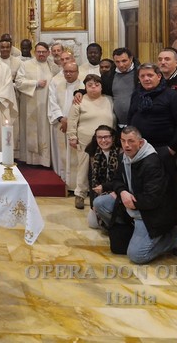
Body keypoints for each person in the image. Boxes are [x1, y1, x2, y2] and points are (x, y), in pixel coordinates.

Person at [127, 63, 177, 238]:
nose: (146, 79)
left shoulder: (173, 96)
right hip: (145, 150)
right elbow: (131, 118)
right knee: (167, 184)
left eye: (150, 75)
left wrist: (172, 148)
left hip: (170, 148)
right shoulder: (137, 95)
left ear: (158, 76)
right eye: (142, 76)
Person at [92, 126, 177, 264]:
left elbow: (153, 199)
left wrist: (132, 203)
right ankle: (132, 230)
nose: (126, 145)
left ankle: (173, 238)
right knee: (100, 203)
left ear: (140, 143)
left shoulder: (152, 163)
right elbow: (117, 180)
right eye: (123, 141)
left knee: (137, 256)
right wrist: (123, 192)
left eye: (131, 141)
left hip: (151, 213)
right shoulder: (124, 156)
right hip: (132, 206)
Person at [66, 74, 116, 209]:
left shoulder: (109, 100)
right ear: (85, 87)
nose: (93, 88)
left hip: (107, 140)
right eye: (90, 85)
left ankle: (105, 193)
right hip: (85, 140)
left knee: (106, 166)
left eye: (96, 85)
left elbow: (114, 118)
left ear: (101, 86)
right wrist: (72, 136)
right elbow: (72, 120)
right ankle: (80, 194)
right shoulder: (80, 101)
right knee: (83, 167)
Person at [48, 61, 83, 197]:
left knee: (76, 157)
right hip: (61, 124)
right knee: (63, 155)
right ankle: (64, 181)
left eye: (71, 71)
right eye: (66, 71)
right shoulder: (58, 85)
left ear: (77, 72)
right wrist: (62, 119)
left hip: (77, 127)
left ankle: (76, 185)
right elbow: (52, 102)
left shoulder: (82, 86)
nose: (68, 74)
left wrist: (71, 122)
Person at [15, 42, 53, 166]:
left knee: (44, 131)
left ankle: (45, 160)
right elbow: (19, 82)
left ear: (48, 53)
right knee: (31, 131)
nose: (41, 54)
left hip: (46, 105)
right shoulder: (25, 65)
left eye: (43, 52)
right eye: (38, 52)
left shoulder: (53, 66)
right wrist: (35, 83)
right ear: (34, 52)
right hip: (30, 105)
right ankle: (31, 159)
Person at [86, 125, 122, 229]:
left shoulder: (121, 153)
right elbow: (92, 181)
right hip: (101, 192)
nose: (103, 140)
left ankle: (117, 226)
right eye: (99, 137)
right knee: (92, 223)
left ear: (113, 138)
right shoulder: (93, 154)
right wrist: (92, 204)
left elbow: (122, 179)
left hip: (116, 190)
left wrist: (111, 190)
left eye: (106, 137)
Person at [103, 47, 140, 128]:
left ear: (131, 59)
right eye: (117, 62)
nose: (121, 65)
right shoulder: (108, 76)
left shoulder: (140, 73)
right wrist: (80, 92)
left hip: (138, 123)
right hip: (117, 125)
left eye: (124, 61)